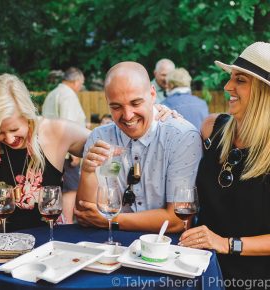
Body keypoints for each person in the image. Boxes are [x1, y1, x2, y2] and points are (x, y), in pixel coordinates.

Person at [179, 42, 270, 286]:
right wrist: (165, 117)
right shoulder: (212, 128)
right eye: (230, 78)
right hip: (198, 268)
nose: (227, 86)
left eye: (240, 80)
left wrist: (226, 243)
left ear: (264, 92)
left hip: (252, 279)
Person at [75, 61, 202, 233]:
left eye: (135, 103)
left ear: (152, 94)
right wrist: (88, 172)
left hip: (165, 249)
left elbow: (179, 220)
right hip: (110, 246)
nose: (127, 116)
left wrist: (113, 220)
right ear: (107, 102)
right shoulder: (100, 137)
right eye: (116, 106)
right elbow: (86, 215)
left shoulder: (182, 136)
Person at [0, 73, 90, 233]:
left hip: (53, 243)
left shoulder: (56, 131)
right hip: (2, 246)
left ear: (28, 116)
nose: (9, 139)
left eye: (14, 129)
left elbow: (106, 143)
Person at [42, 67, 87, 222]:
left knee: (56, 189)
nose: (81, 87)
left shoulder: (52, 93)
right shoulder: (68, 96)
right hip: (67, 152)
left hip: (48, 150)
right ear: (76, 81)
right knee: (70, 190)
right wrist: (75, 154)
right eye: (81, 84)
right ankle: (66, 224)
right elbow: (68, 125)